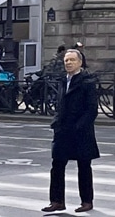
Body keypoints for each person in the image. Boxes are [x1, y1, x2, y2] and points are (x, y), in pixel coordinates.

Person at [42, 48, 99, 213]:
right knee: (57, 165)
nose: (68, 63)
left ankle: (87, 201)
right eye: (66, 60)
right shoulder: (63, 80)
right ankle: (57, 201)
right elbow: (60, 104)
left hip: (80, 131)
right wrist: (56, 122)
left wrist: (80, 126)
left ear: (80, 62)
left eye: (72, 60)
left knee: (84, 166)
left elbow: (91, 109)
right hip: (62, 129)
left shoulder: (87, 81)